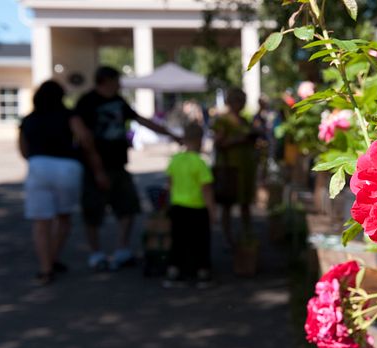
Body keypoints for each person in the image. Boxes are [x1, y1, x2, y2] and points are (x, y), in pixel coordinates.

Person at [75, 66, 180, 271]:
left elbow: (141, 120)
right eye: (116, 80)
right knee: (93, 212)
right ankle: (96, 254)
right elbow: (85, 138)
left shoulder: (119, 102)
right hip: (94, 167)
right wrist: (97, 170)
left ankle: (122, 249)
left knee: (128, 206)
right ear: (105, 80)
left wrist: (170, 133)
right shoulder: (86, 102)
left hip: (118, 165)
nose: (119, 84)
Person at [18, 80, 108, 284]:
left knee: (41, 222)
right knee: (63, 218)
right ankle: (53, 257)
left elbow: (23, 149)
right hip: (67, 168)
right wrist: (98, 169)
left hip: (38, 166)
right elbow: (85, 139)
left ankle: (45, 267)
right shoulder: (70, 116)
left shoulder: (29, 119)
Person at [163, 123, 215, 289]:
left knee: (178, 240)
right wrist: (212, 211)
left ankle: (174, 271)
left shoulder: (175, 160)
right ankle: (202, 273)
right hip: (197, 208)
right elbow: (206, 190)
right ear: (200, 140)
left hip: (177, 207)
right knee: (200, 241)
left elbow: (169, 184)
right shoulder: (200, 163)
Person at [212, 88, 259, 247]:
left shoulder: (244, 120)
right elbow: (218, 144)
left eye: (242, 100)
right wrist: (239, 139)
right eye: (237, 100)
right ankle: (228, 239)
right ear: (229, 102)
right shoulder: (223, 121)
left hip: (245, 167)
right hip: (230, 168)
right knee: (228, 204)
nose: (240, 104)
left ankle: (246, 236)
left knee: (245, 203)